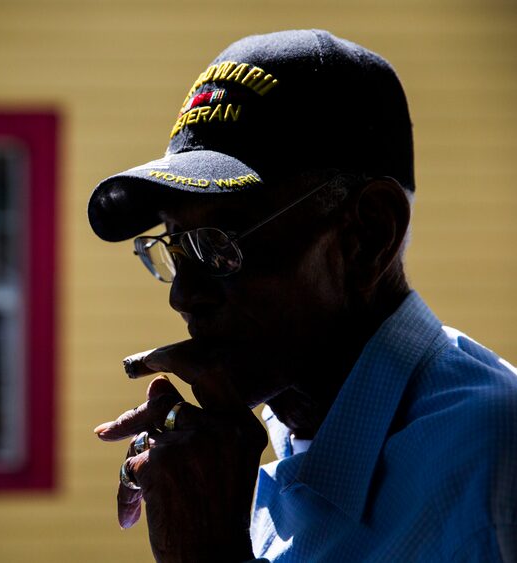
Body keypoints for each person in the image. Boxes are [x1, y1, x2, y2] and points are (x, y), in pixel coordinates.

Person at [87, 29, 517, 562]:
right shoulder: (251, 460)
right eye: (176, 247)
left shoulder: (495, 462)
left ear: (367, 237)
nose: (184, 293)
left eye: (220, 244)